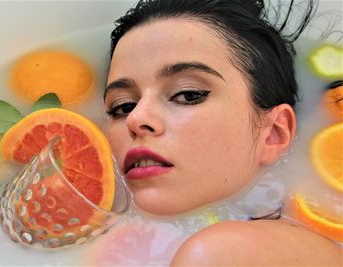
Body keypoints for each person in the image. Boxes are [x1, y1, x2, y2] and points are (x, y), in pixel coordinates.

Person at [102, 0, 342, 265]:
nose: (136, 118)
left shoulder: (218, 254)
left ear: (274, 133)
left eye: (188, 94)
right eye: (122, 106)